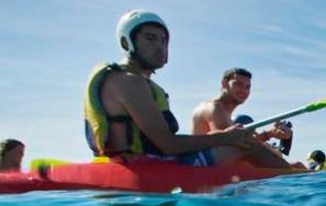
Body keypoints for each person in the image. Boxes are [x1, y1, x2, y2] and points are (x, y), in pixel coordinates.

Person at [83, 10, 291, 168]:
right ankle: (293, 178)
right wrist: (227, 136)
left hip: (150, 160)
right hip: (144, 166)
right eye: (150, 38)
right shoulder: (129, 82)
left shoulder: (134, 81)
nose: (160, 46)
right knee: (243, 143)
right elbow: (168, 145)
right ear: (126, 42)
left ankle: (288, 172)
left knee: (241, 137)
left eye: (164, 41)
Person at [191, 67, 293, 147]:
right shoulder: (214, 108)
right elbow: (230, 144)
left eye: (247, 87)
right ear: (224, 84)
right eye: (238, 84)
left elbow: (234, 143)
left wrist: (270, 134)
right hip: (201, 166)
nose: (243, 91)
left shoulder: (223, 110)